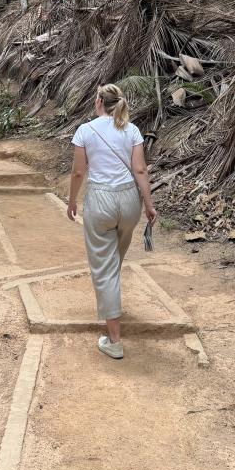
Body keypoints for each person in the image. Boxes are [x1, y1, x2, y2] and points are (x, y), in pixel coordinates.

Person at [67, 83, 157, 360]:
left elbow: (79, 172)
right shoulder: (131, 130)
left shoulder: (86, 131)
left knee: (104, 265)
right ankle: (112, 301)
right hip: (129, 200)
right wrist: (149, 205)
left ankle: (114, 340)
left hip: (101, 201)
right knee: (114, 257)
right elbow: (140, 169)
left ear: (98, 102)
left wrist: (71, 200)